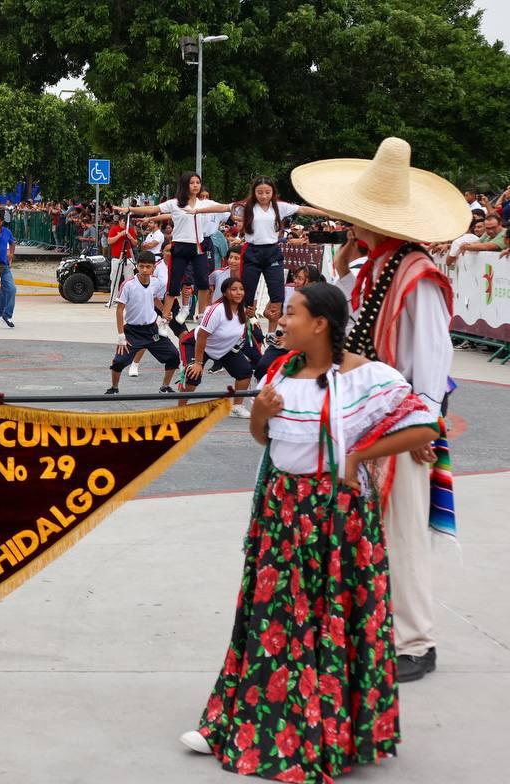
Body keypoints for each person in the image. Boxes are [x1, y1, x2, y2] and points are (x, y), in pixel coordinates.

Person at [182, 282, 439, 781]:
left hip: (334, 518)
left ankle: (321, 729)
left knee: (325, 620)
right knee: (271, 619)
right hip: (281, 513)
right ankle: (246, 719)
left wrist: (361, 456)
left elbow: (426, 425)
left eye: (293, 313)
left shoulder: (367, 376)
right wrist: (260, 414)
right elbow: (265, 439)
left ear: (320, 324)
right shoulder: (280, 370)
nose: (281, 320)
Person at [292, 136, 463, 683]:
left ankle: (415, 641)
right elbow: (346, 315)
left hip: (403, 423)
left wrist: (423, 427)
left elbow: (431, 360)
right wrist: (345, 264)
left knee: (404, 531)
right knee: (372, 530)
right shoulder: (377, 267)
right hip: (372, 420)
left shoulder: (416, 276)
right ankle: (380, 630)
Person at [189, 176, 327, 330]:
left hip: (272, 252)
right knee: (246, 296)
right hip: (252, 252)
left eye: (267, 192)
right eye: (260, 192)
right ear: (254, 192)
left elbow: (302, 209)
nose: (264, 196)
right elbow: (222, 208)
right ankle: (241, 331)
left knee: (277, 295)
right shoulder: (246, 206)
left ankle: (271, 334)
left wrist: (326, 213)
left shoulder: (279, 207)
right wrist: (197, 211)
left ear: (273, 192)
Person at [119, 172, 220, 323]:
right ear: (185, 185)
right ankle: (165, 320)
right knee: (173, 286)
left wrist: (242, 205)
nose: (195, 185)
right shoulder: (175, 203)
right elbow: (154, 209)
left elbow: (225, 208)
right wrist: (130, 209)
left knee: (203, 283)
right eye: (192, 183)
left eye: (198, 182)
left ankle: (201, 316)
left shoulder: (204, 204)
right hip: (180, 246)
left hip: (198, 247)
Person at [105, 251, 180, 394]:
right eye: (141, 266)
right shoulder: (128, 285)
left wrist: (164, 311)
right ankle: (114, 388)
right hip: (132, 331)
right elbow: (119, 310)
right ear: (137, 266)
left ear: (153, 268)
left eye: (148, 267)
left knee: (174, 356)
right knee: (118, 362)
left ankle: (165, 387)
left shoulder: (156, 283)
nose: (145, 270)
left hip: (152, 331)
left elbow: (155, 298)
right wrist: (121, 336)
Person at [180, 276, 255, 417]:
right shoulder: (216, 310)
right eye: (234, 289)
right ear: (225, 293)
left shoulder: (243, 310)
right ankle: (180, 410)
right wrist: (198, 363)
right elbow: (202, 336)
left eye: (241, 289)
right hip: (198, 344)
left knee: (245, 371)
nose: (238, 292)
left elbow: (235, 328)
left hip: (223, 348)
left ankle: (237, 407)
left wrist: (248, 318)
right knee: (193, 375)